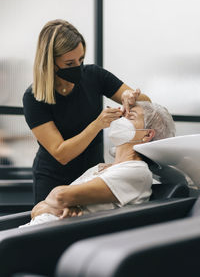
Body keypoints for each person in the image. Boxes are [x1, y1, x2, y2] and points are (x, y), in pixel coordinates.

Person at [23, 19, 151, 204]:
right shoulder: (34, 97)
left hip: (90, 173)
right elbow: (62, 154)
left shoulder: (94, 76)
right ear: (50, 62)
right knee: (48, 223)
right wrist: (98, 124)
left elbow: (146, 105)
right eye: (69, 63)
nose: (78, 67)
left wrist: (131, 97)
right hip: (52, 177)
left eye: (81, 59)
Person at [20, 101, 176, 227]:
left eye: (131, 116)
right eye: (122, 114)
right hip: (32, 231)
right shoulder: (99, 168)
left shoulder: (137, 171)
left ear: (147, 134)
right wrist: (55, 206)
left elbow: (59, 196)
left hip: (53, 239)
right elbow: (37, 208)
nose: (120, 119)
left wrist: (57, 203)